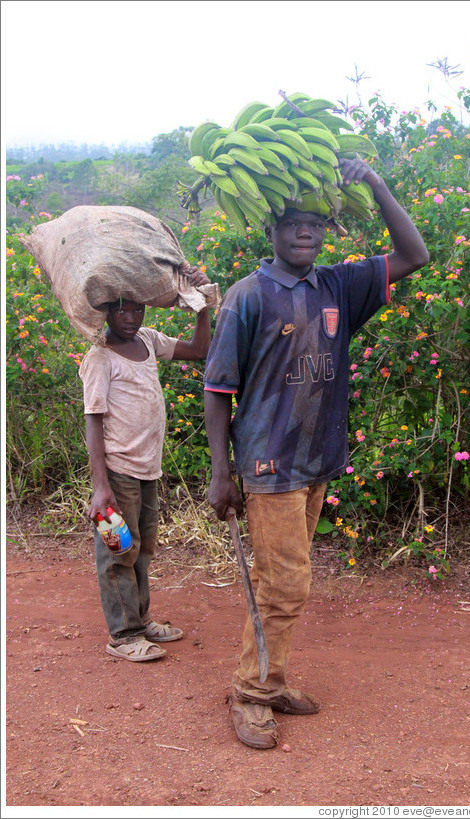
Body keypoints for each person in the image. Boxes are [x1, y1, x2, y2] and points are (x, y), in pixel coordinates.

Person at [203, 157, 429, 748]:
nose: (307, 232)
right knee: (287, 584)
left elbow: (415, 255)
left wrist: (377, 184)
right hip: (268, 464)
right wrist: (221, 473)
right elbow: (217, 388)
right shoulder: (247, 296)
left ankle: (268, 680)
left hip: (316, 461)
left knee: (280, 580)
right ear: (271, 231)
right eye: (294, 223)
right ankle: (251, 693)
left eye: (316, 224)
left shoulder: (337, 286)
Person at [79, 268, 211, 662]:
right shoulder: (99, 358)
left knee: (142, 549)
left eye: (137, 308)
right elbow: (93, 420)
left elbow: (199, 350)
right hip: (116, 474)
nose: (132, 317)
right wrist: (100, 487)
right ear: (106, 312)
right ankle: (123, 634)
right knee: (118, 550)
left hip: (147, 471)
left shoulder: (148, 342)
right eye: (122, 310)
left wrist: (201, 308)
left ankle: (141, 617)